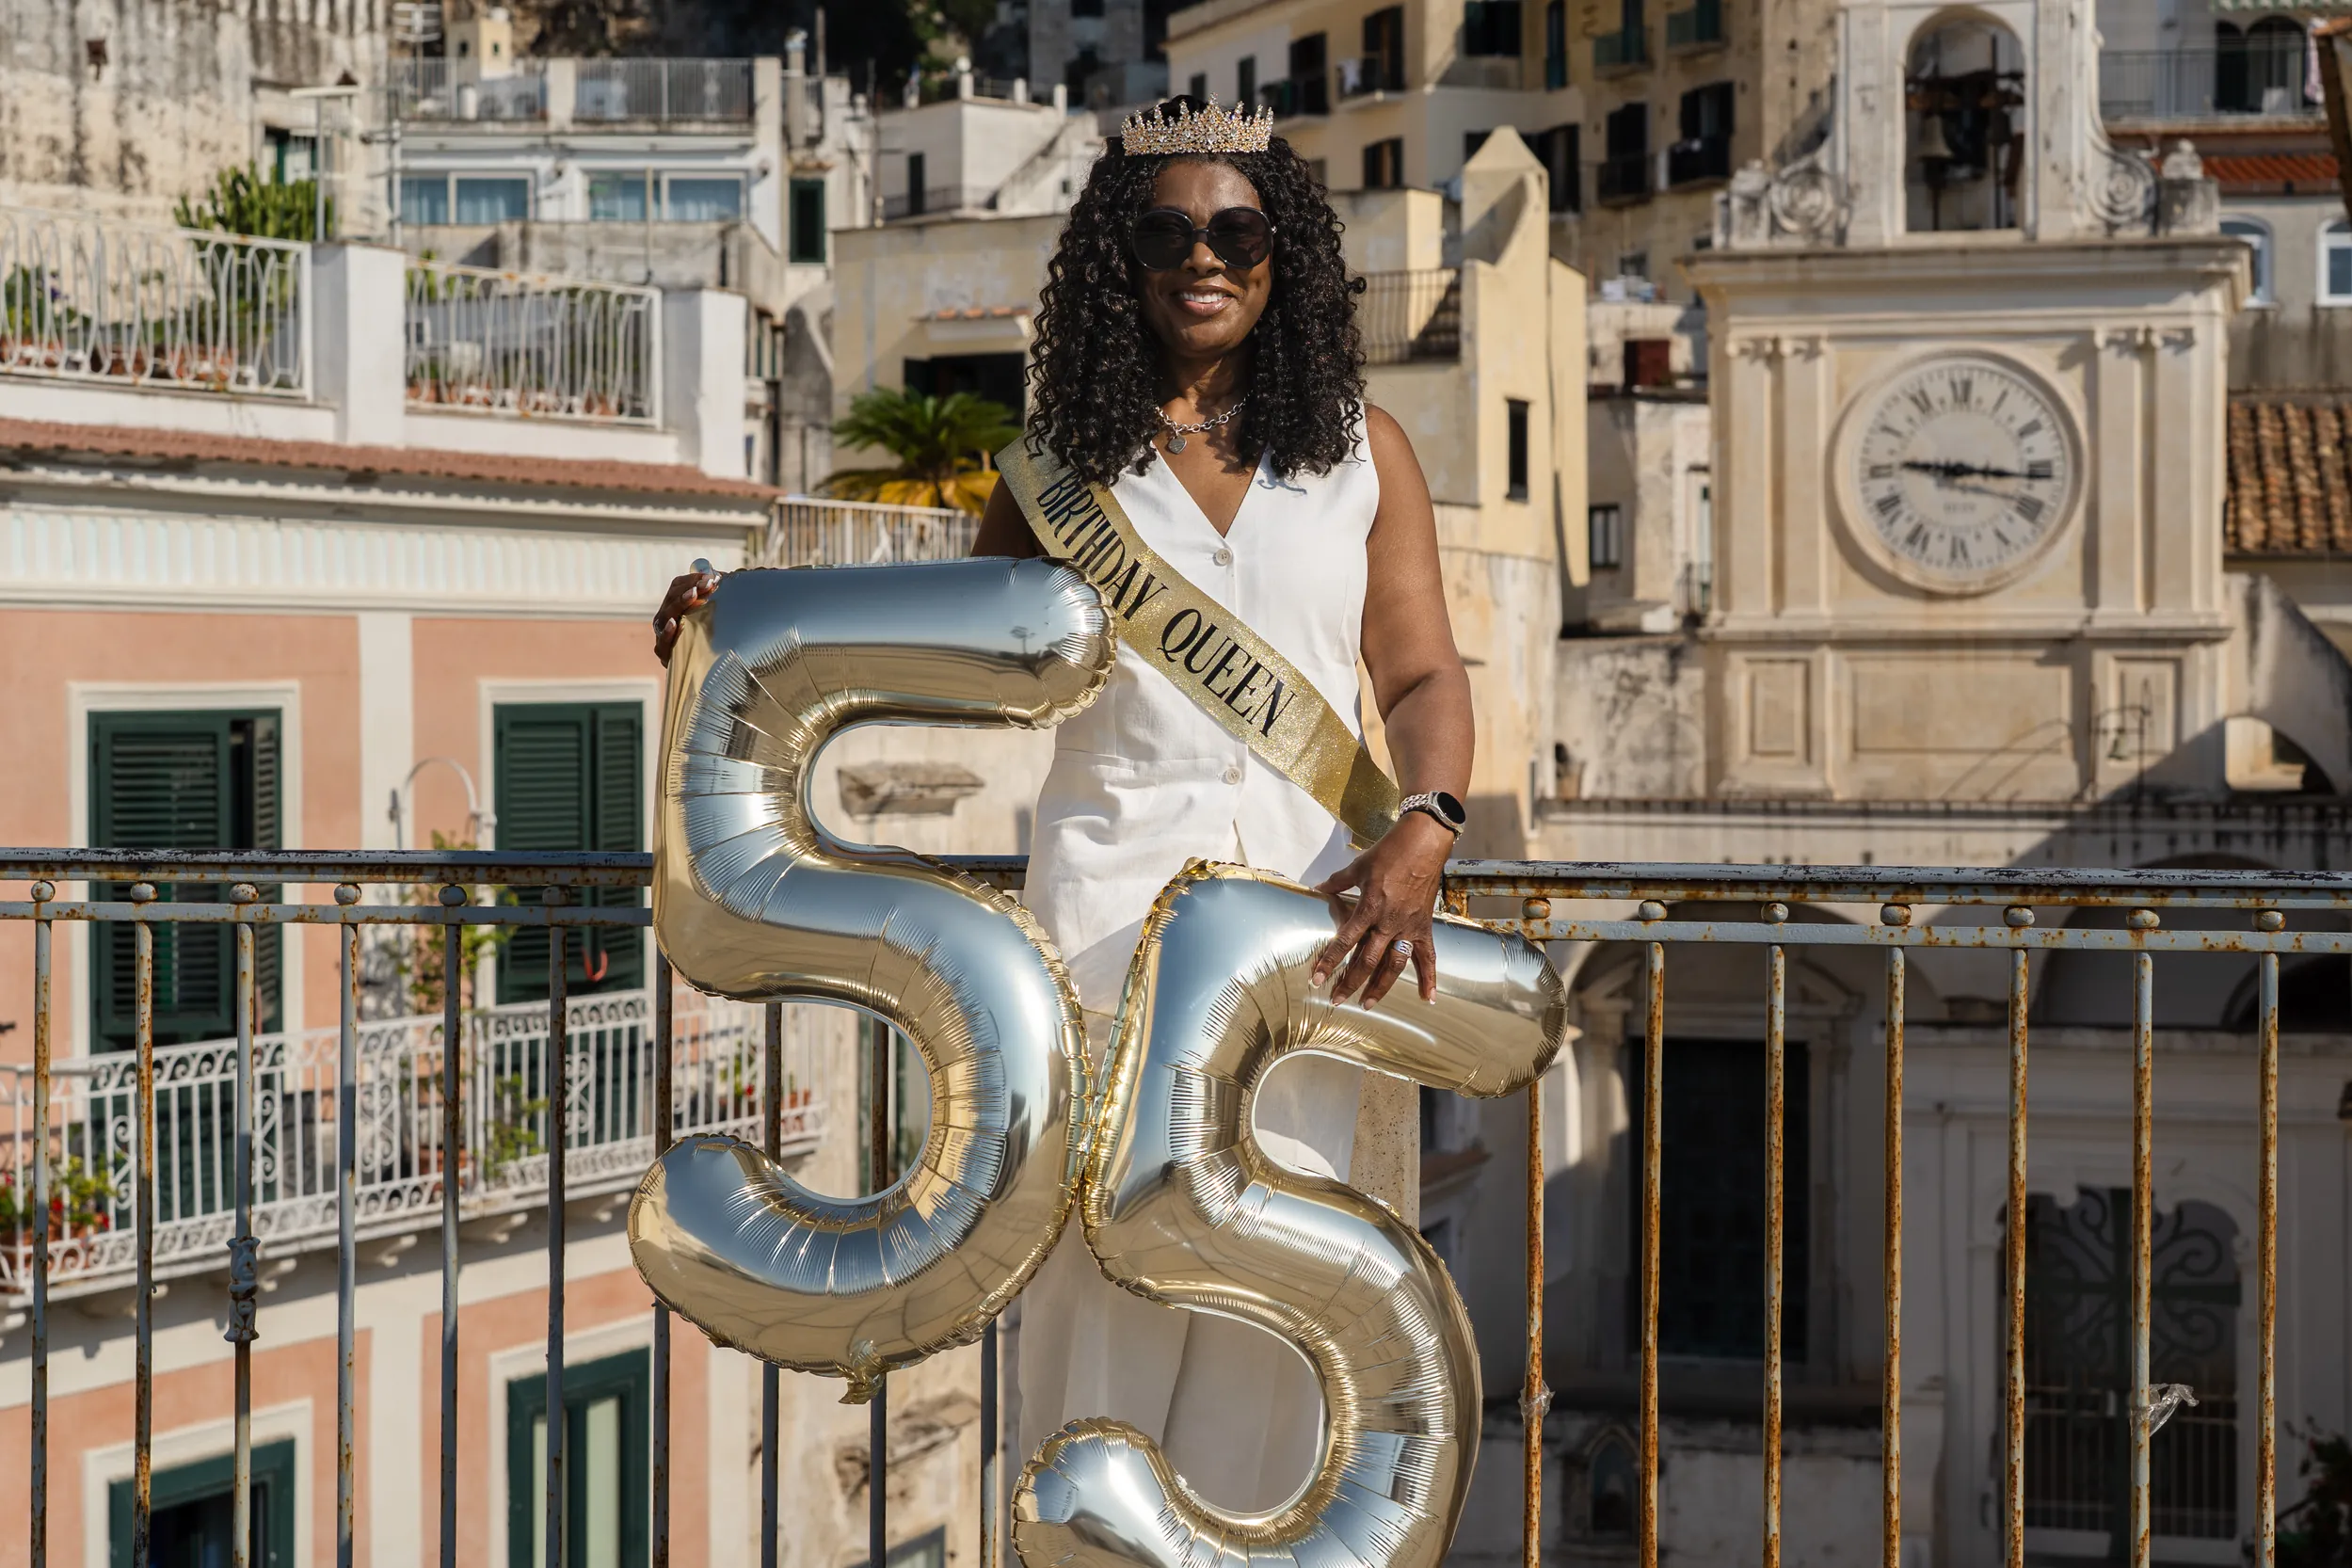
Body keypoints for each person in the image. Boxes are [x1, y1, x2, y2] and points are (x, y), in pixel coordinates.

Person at [649, 94, 1474, 1513]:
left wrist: (1428, 822)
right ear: (1120, 260)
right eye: (1166, 231)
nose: (1201, 256)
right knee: (1103, 1303)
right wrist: (750, 617)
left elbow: (1418, 672)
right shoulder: (1053, 472)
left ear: (1285, 256)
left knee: (1275, 1324)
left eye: (1235, 229)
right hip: (1106, 943)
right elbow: (945, 653)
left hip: (1298, 944)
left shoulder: (1360, 452)